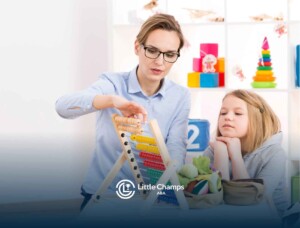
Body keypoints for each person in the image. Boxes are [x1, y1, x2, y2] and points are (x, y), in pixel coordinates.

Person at [55, 13, 191, 210]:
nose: (160, 62)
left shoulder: (180, 96)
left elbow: (177, 147)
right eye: (152, 50)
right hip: (103, 194)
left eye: (169, 54)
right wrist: (111, 100)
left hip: (151, 199)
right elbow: (62, 106)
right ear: (137, 47)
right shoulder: (112, 84)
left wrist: (167, 181)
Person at [203, 89, 288, 216]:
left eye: (238, 113)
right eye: (223, 112)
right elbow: (215, 202)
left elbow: (252, 202)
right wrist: (221, 154)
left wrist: (236, 157)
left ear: (257, 121)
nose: (228, 117)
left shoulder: (275, 154)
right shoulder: (213, 150)